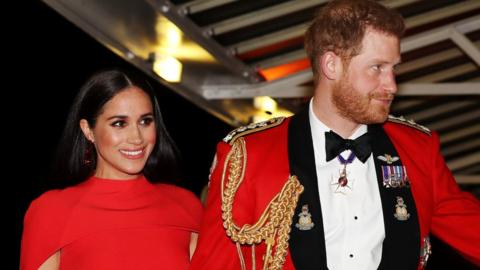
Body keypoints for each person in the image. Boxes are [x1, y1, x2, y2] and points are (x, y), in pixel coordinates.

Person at [190, 0, 480, 269]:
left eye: (394, 69)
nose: (391, 85)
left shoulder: (417, 149)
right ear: (331, 65)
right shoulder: (249, 154)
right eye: (377, 68)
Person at [20, 69, 202, 270]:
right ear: (88, 130)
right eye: (119, 123)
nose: (136, 137)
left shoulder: (186, 205)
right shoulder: (52, 211)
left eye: (145, 121)